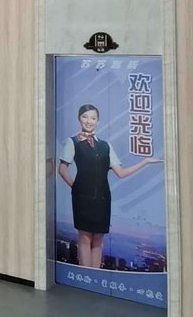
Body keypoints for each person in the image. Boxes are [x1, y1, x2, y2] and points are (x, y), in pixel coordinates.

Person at [57, 104, 162, 269]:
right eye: (85, 117)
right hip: (82, 199)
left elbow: (121, 173)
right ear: (79, 119)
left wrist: (145, 162)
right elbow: (62, 170)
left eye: (93, 118)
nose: (89, 121)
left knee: (99, 238)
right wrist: (76, 188)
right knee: (84, 237)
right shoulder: (73, 142)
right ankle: (85, 276)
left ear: (98, 121)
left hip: (103, 199)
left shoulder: (106, 146)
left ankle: (95, 276)